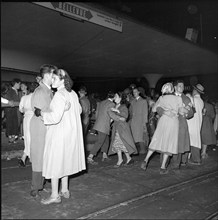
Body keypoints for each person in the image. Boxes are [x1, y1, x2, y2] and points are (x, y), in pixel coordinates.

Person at [34, 69, 86, 205]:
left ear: (63, 80)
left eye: (55, 79)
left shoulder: (59, 95)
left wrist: (41, 113)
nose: (52, 81)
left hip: (58, 133)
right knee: (65, 161)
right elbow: (79, 110)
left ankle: (54, 195)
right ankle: (65, 189)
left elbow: (54, 118)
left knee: (55, 163)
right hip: (70, 134)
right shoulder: (73, 93)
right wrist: (65, 110)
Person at [141, 83, 184, 175]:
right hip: (173, 122)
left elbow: (153, 110)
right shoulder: (178, 98)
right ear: (172, 90)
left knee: (157, 140)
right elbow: (181, 111)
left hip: (163, 121)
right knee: (169, 144)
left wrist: (163, 110)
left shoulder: (161, 98)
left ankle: (145, 160)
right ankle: (163, 167)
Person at [29, 64, 58, 198]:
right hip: (40, 127)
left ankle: (40, 185)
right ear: (46, 76)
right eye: (53, 76)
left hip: (45, 126)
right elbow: (39, 113)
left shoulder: (48, 91)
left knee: (45, 157)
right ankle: (35, 187)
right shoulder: (41, 91)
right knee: (39, 157)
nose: (54, 78)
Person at [157, 80, 195, 170]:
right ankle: (163, 164)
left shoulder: (186, 98)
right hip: (169, 124)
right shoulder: (168, 96)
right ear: (174, 87)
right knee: (166, 144)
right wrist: (164, 112)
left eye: (182, 86)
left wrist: (186, 113)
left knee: (179, 146)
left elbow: (191, 113)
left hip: (180, 125)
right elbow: (158, 108)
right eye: (179, 86)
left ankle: (175, 165)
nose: (181, 88)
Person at [87, 91, 124, 165]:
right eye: (115, 96)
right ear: (113, 97)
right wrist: (119, 118)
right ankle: (90, 157)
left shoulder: (102, 102)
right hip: (103, 125)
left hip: (99, 124)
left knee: (106, 140)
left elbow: (98, 113)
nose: (116, 98)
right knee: (100, 141)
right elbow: (110, 113)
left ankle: (104, 155)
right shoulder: (112, 104)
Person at [108, 92, 137, 167]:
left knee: (123, 143)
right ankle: (123, 159)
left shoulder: (123, 106)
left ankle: (125, 159)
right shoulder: (115, 106)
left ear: (120, 98)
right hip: (116, 127)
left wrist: (117, 111)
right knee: (117, 143)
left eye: (116, 96)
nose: (114, 98)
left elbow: (124, 118)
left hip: (122, 128)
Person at [18, 83, 38, 167]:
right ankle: (32, 158)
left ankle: (24, 157)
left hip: (26, 119)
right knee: (34, 138)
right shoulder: (37, 98)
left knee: (27, 138)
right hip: (35, 119)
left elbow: (20, 109)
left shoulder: (24, 97)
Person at [186, 84, 204, 165]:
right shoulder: (201, 101)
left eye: (193, 90)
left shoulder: (193, 99)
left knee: (192, 141)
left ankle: (196, 160)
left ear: (195, 91)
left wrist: (188, 96)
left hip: (192, 122)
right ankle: (193, 158)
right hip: (198, 122)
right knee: (195, 140)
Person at [129, 87, 148, 154]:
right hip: (133, 121)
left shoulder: (143, 101)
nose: (134, 93)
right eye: (133, 92)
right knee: (133, 135)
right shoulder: (132, 102)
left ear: (139, 92)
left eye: (136, 92)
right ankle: (134, 150)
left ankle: (142, 149)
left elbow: (145, 113)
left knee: (140, 136)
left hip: (140, 121)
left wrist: (144, 123)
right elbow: (130, 112)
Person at [4, 78, 21, 143]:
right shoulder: (10, 90)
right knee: (11, 123)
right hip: (10, 110)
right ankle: (11, 138)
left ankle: (13, 137)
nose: (20, 85)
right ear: (16, 83)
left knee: (14, 123)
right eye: (19, 84)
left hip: (14, 110)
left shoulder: (16, 91)